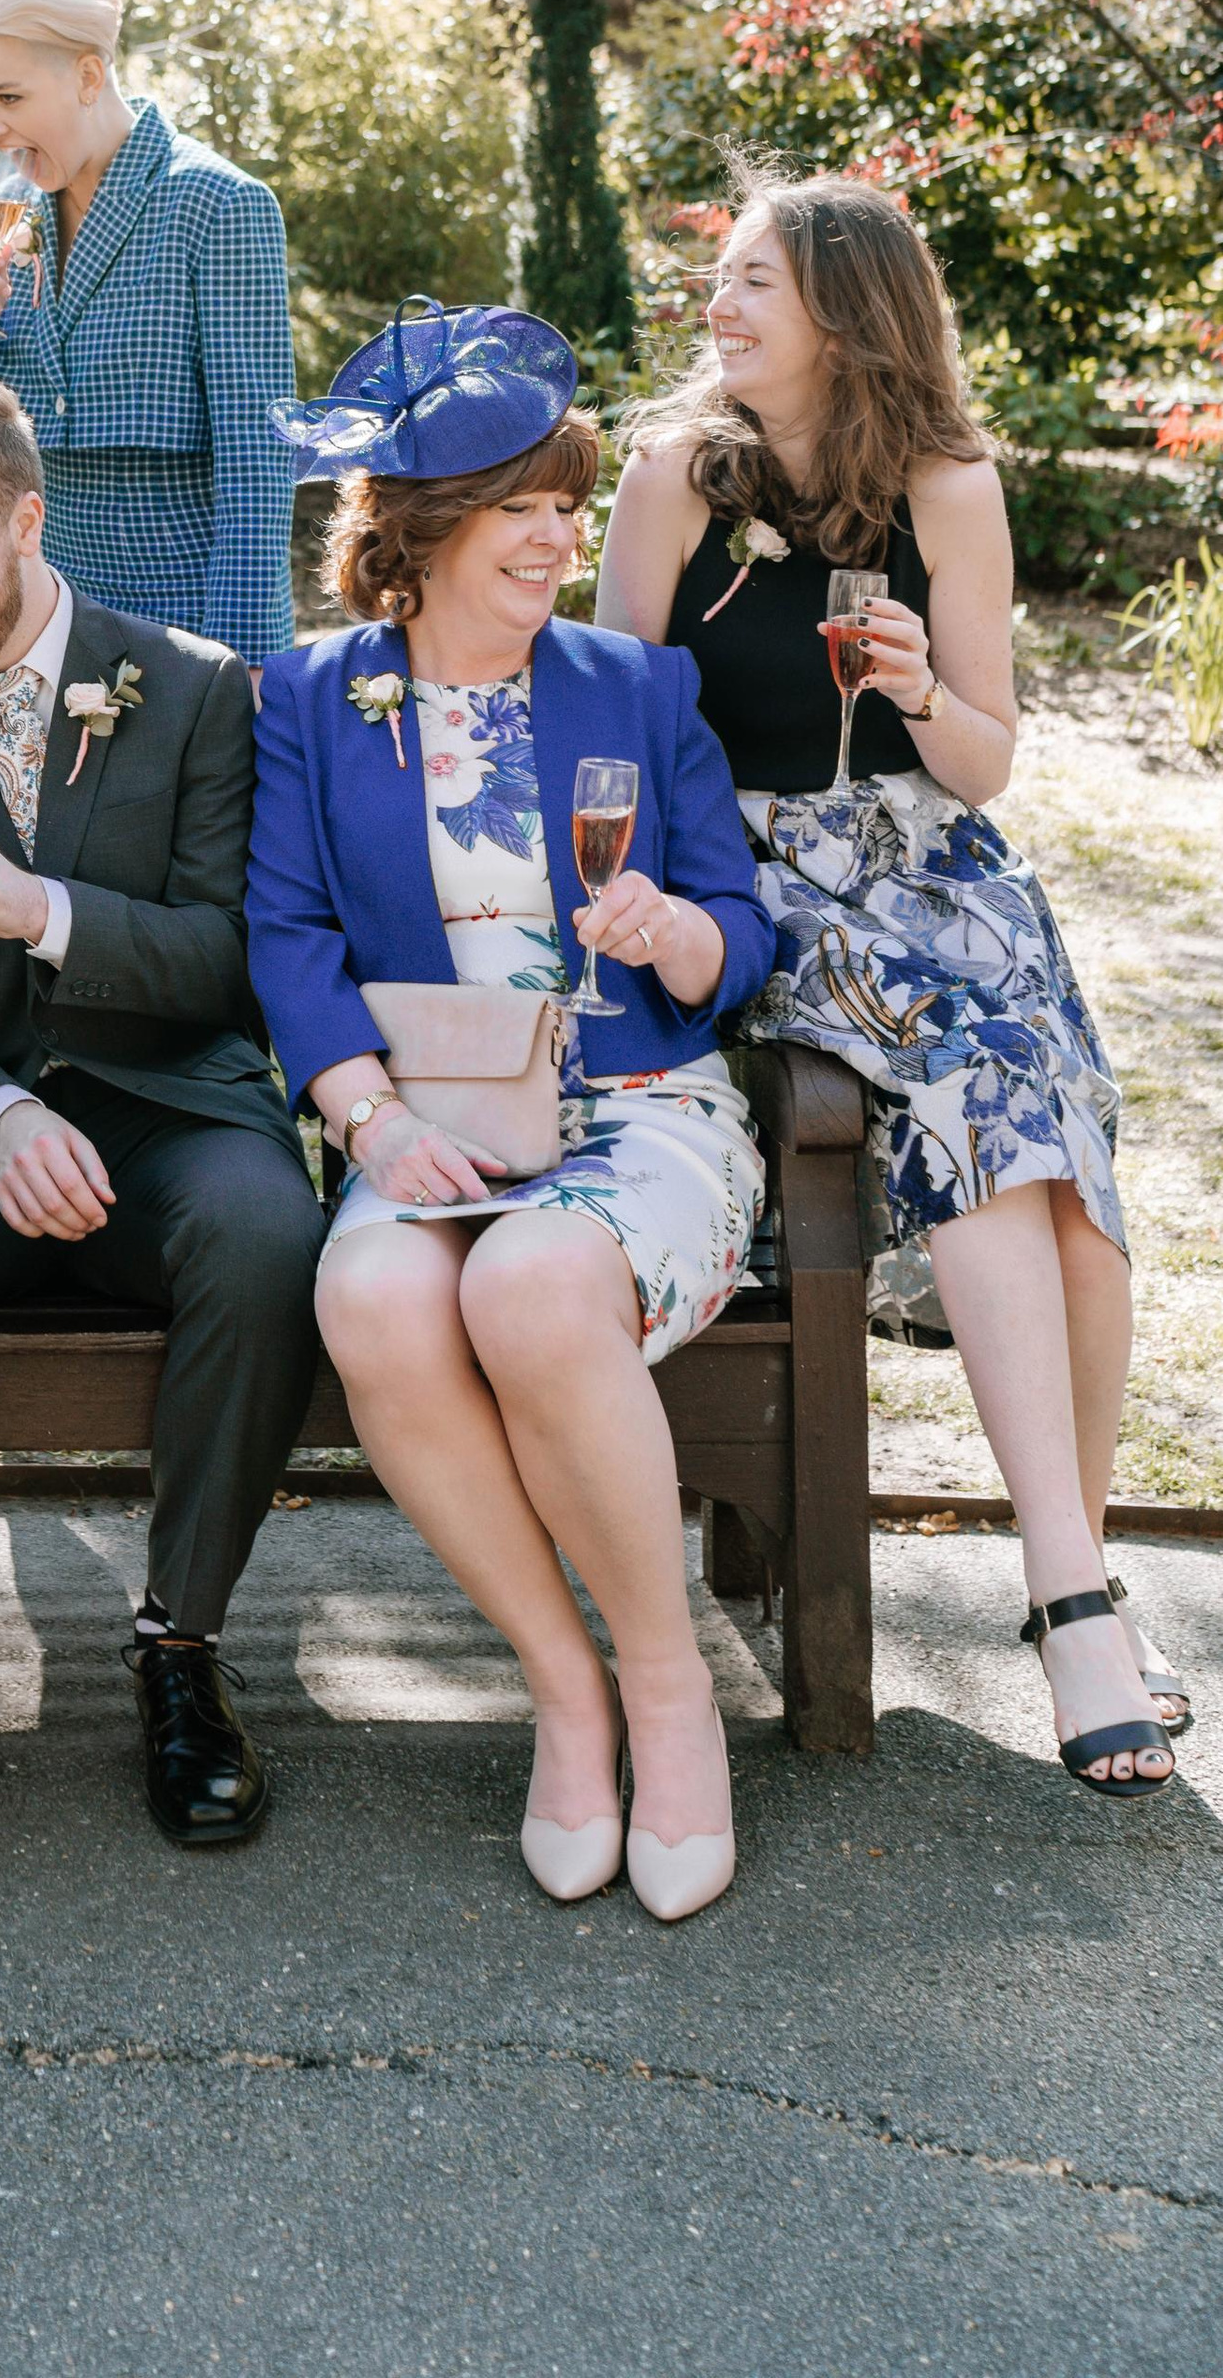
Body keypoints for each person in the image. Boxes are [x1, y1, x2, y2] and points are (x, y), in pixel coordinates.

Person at [597, 172, 1176, 1798]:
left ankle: (1082, 1574)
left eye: (758, 280)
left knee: (1060, 1167)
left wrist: (924, 690)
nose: (724, 303)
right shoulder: (675, 476)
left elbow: (983, 767)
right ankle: (1073, 1601)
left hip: (930, 862)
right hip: (758, 874)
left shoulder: (946, 482)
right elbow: (608, 713)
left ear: (850, 309)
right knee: (1004, 1131)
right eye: (724, 275)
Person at [248, 303, 775, 1924]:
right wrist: (364, 1120)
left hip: (644, 1109)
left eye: (567, 501)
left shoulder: (637, 685)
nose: (558, 535)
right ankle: (566, 1683)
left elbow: (738, 926)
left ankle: (671, 1689)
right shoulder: (314, 698)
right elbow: (290, 932)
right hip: (433, 1111)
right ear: (417, 533)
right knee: (372, 1293)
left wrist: (677, 932)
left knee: (530, 1281)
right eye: (519, 508)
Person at [0, 375, 323, 1855]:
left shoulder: (197, 685)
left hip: (171, 1104)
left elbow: (233, 953)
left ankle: (181, 1647)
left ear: (28, 520)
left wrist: (43, 908)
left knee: (262, 1226)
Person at [0, 0, 298, 663]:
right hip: (38, 625)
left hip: (181, 629)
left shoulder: (217, 204)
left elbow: (257, 461)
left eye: (8, 97)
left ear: (89, 74)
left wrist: (245, 666)